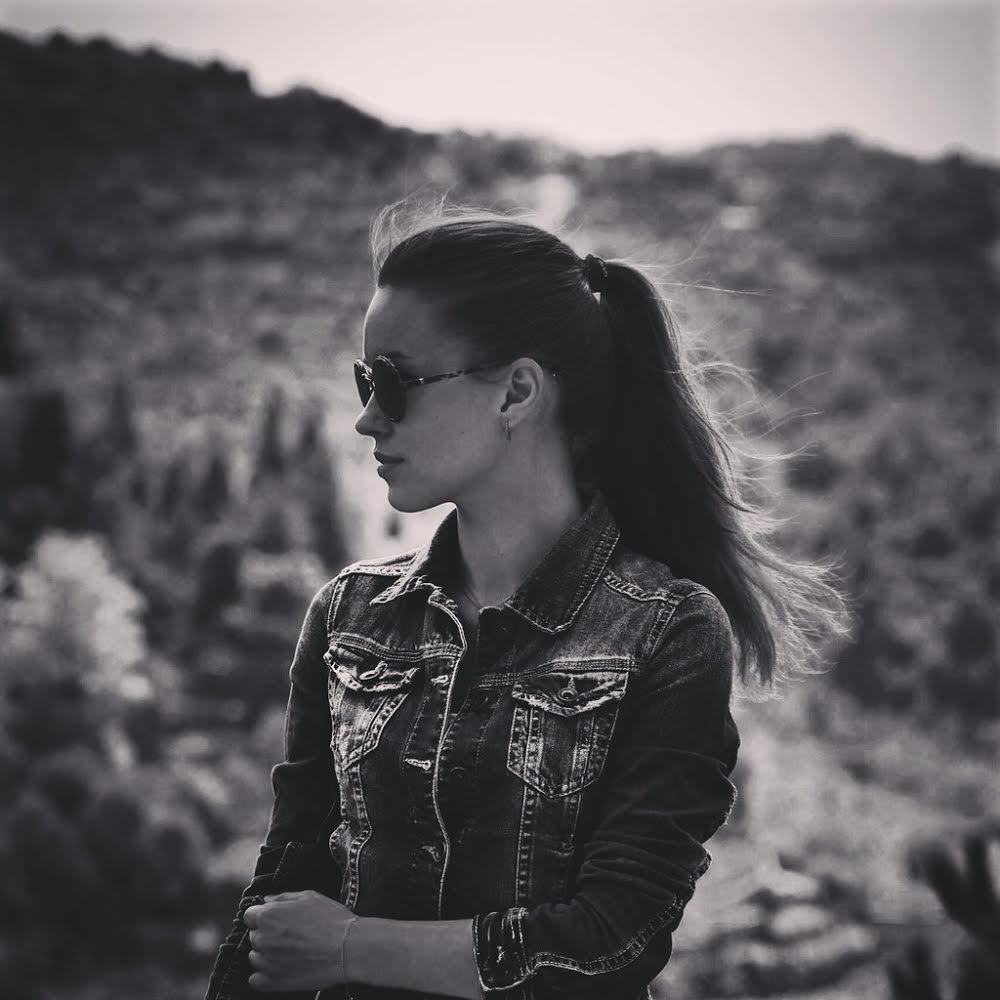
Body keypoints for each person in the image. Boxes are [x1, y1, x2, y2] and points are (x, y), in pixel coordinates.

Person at [205, 203, 852, 1000]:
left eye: (396, 382)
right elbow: (278, 903)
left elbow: (610, 944)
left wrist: (350, 947)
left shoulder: (668, 631)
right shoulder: (349, 617)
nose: (368, 418)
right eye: (365, 382)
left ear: (516, 392)